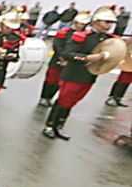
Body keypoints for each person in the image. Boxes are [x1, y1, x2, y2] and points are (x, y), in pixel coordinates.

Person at [42, 7, 117, 140]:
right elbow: (67, 54)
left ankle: (59, 125)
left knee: (72, 102)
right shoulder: (82, 37)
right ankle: (50, 125)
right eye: (106, 22)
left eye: (110, 23)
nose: (109, 26)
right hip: (73, 75)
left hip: (89, 76)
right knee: (63, 100)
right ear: (95, 22)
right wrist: (87, 58)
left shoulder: (109, 40)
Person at [38, 12, 89, 107]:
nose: (82, 26)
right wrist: (62, 57)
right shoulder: (64, 32)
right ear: (75, 22)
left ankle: (50, 98)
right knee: (50, 80)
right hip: (57, 61)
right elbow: (57, 45)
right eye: (81, 24)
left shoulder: (84, 35)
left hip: (69, 63)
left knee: (59, 83)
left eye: (84, 24)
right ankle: (44, 97)